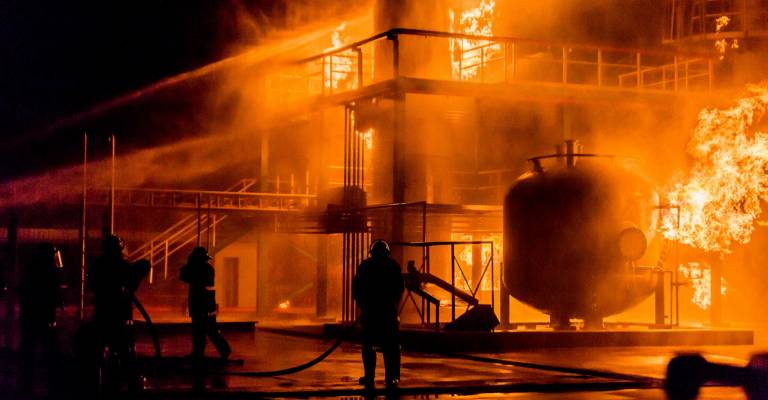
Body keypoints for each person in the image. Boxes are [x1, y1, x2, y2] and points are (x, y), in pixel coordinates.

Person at [85, 234, 149, 392]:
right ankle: (132, 382)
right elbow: (131, 284)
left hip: (102, 316)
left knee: (99, 351)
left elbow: (91, 284)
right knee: (125, 351)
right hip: (121, 317)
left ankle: (97, 382)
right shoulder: (123, 266)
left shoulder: (98, 265)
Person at [352, 239, 405, 391]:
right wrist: (392, 305)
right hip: (388, 314)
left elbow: (357, 288)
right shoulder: (393, 266)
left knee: (369, 347)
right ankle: (392, 378)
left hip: (370, 313)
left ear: (372, 253)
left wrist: (363, 305)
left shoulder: (365, 266)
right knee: (391, 348)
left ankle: (369, 377)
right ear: (387, 253)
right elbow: (399, 288)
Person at [17, 243, 62, 398]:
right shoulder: (50, 272)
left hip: (30, 320)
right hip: (45, 321)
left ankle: (25, 386)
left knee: (28, 353)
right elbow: (55, 296)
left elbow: (21, 292)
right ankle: (53, 387)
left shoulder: (29, 270)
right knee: (52, 356)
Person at [180, 246, 230, 360]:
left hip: (201, 304)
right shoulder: (207, 268)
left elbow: (184, 275)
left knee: (206, 330)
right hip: (205, 304)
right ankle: (201, 352)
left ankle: (223, 351)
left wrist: (190, 263)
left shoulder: (200, 269)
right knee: (203, 330)